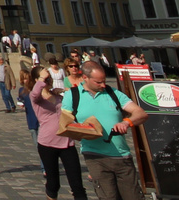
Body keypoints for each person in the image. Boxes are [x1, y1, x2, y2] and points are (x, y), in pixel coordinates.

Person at [71, 62, 147, 200]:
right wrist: (78, 130)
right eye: (98, 82)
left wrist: (127, 122)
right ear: (85, 78)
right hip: (95, 156)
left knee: (133, 197)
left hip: (121, 156)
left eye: (104, 81)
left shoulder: (113, 93)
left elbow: (141, 113)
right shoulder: (72, 95)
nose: (103, 85)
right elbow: (66, 122)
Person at [27, 63, 88, 200]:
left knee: (77, 183)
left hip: (67, 143)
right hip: (47, 143)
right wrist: (42, 79)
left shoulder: (59, 95)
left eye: (49, 78)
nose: (49, 80)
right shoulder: (36, 98)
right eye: (45, 78)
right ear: (37, 80)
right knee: (53, 183)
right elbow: (35, 92)